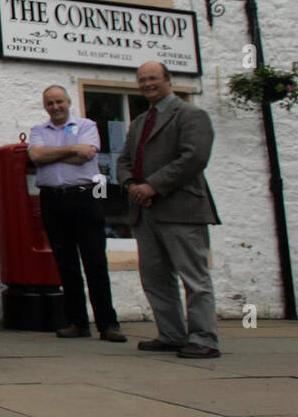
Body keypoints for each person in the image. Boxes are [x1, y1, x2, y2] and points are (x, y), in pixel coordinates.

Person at [116, 61, 221, 359]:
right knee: (155, 278)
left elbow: (194, 158)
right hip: (144, 212)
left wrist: (152, 186)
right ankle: (172, 335)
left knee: (194, 278)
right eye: (141, 80)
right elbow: (123, 162)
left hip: (181, 209)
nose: (147, 84)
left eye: (152, 78)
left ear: (168, 80)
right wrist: (131, 186)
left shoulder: (192, 115)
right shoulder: (138, 122)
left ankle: (204, 339)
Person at [27, 84, 125, 342]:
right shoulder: (38, 131)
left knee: (95, 262)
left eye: (59, 101)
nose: (55, 107)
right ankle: (77, 322)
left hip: (84, 197)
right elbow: (36, 156)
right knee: (65, 263)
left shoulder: (86, 126)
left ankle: (108, 324)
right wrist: (71, 149)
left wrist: (53, 156)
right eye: (50, 103)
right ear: (44, 106)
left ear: (69, 102)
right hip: (52, 199)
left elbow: (87, 154)